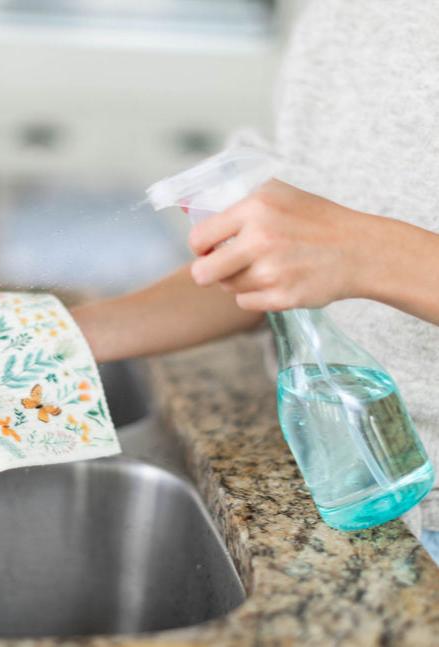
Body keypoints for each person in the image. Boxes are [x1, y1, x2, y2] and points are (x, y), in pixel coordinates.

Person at [72, 1, 439, 560]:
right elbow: (287, 256)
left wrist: (367, 252)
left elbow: (338, 245)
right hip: (343, 479)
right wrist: (72, 337)